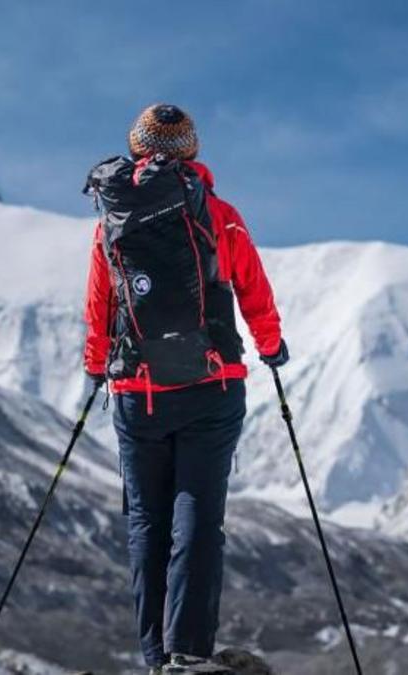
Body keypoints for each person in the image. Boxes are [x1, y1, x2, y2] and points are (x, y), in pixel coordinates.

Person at [81, 103, 288, 672]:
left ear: (137, 147)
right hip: (210, 388)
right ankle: (188, 654)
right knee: (197, 516)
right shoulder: (219, 215)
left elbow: (100, 304)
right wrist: (271, 346)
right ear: (190, 151)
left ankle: (153, 657)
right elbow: (252, 288)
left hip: (136, 393)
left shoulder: (111, 221)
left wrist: (97, 365)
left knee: (147, 523)